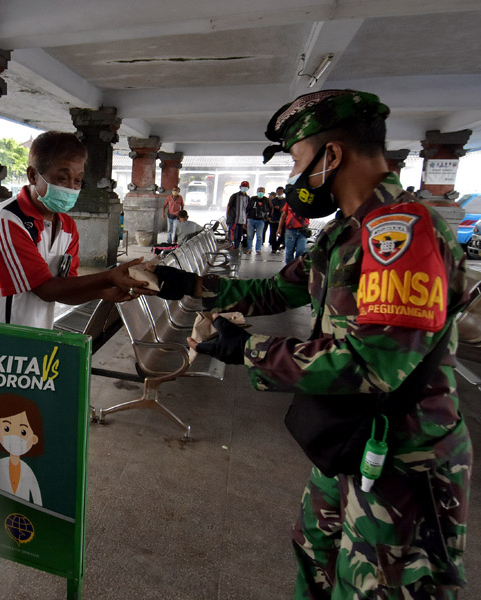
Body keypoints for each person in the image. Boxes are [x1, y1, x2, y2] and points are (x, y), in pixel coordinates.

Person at [152, 89, 471, 598]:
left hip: (403, 455)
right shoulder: (346, 232)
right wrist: (182, 283)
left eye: (298, 160)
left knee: (381, 587)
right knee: (317, 560)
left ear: (333, 156)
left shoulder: (400, 233)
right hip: (350, 442)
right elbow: (278, 289)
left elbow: (370, 365)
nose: (294, 177)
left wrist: (246, 349)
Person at [0, 131, 150, 329]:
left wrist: (102, 291)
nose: (71, 188)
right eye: (63, 178)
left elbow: (66, 287)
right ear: (33, 176)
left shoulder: (68, 228)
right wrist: (108, 277)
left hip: (30, 328)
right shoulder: (5, 221)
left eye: (78, 180)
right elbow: (44, 288)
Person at [226, 181, 250, 250]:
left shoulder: (248, 198)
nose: (244, 188)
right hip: (234, 219)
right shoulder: (234, 196)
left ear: (248, 188)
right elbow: (229, 207)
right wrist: (228, 217)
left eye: (246, 187)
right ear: (240, 187)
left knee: (239, 235)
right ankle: (231, 247)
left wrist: (246, 221)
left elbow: (247, 210)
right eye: (243, 186)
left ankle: (236, 247)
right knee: (233, 234)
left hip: (242, 220)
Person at [245, 186, 269, 255]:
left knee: (259, 236)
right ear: (257, 192)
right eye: (259, 191)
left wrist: (268, 217)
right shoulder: (253, 199)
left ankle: (258, 249)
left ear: (264, 192)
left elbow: (270, 208)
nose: (260, 192)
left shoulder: (266, 200)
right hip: (251, 219)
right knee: (249, 235)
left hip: (261, 220)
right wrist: (246, 216)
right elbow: (248, 207)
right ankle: (249, 249)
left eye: (262, 191)